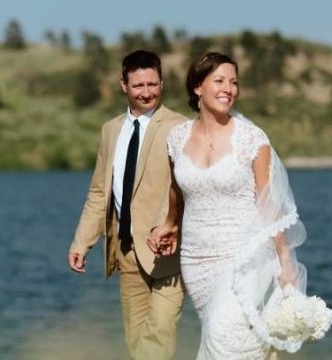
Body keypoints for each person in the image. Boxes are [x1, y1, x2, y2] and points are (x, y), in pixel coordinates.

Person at [148, 52, 310, 359]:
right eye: (219, 80)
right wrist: (170, 224)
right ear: (197, 87)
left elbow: (270, 205)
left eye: (234, 82)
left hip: (245, 255)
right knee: (227, 338)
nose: (229, 89)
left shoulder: (252, 139)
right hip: (197, 261)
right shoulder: (176, 138)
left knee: (223, 333)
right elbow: (177, 190)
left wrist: (286, 265)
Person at [68, 50, 187, 359]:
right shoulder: (110, 131)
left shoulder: (181, 127)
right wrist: (82, 242)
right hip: (126, 255)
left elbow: (187, 189)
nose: (147, 93)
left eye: (153, 84)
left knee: (158, 338)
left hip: (167, 256)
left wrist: (168, 226)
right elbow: (99, 192)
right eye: (138, 86)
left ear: (162, 82)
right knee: (136, 345)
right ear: (123, 84)